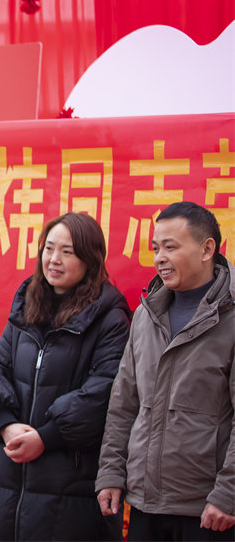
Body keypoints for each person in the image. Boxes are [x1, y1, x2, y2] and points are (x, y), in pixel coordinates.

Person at [0, 212, 130, 541]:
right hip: (10, 479)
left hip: (71, 484)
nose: (54, 259)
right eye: (49, 248)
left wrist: (46, 436)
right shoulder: (29, 303)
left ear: (90, 260)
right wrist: (5, 424)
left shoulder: (110, 317)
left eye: (67, 252)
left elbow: (106, 392)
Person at [96, 201, 235, 541]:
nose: (160, 258)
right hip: (145, 504)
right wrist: (111, 472)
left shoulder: (230, 317)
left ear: (207, 249)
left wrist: (228, 493)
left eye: (171, 247)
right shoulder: (146, 315)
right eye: (156, 248)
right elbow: (123, 403)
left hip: (209, 511)